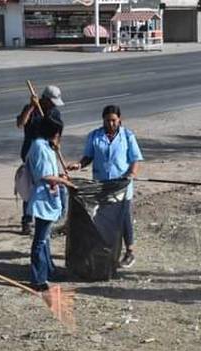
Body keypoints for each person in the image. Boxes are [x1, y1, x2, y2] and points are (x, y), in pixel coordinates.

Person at [66, 105, 143, 269]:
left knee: (124, 218)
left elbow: (135, 159)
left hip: (121, 185)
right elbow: (88, 156)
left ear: (120, 120)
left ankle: (130, 252)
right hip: (102, 185)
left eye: (114, 120)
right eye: (107, 120)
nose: (111, 124)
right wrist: (79, 165)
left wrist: (131, 174)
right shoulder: (94, 136)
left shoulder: (128, 136)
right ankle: (105, 248)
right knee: (102, 219)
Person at [26, 117, 75, 291]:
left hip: (48, 197)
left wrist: (60, 178)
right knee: (40, 240)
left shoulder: (45, 146)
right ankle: (37, 278)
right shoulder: (39, 146)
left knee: (45, 238)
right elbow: (44, 175)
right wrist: (65, 183)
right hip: (42, 199)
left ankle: (48, 270)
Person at [17, 85, 64, 235]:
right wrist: (31, 107)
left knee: (47, 186)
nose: (53, 105)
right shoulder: (32, 109)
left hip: (47, 152)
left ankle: (46, 217)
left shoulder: (54, 112)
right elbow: (21, 123)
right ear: (44, 99)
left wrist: (57, 143)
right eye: (51, 102)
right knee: (30, 185)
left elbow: (58, 132)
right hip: (30, 152)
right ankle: (27, 220)